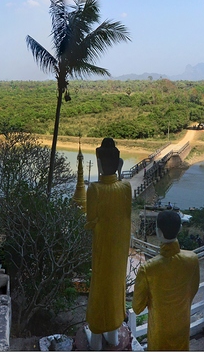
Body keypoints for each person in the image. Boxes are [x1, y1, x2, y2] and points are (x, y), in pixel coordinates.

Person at [86, 138, 132, 350]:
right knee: (115, 288)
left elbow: (90, 222)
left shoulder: (94, 190)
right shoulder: (126, 188)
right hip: (119, 250)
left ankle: (95, 340)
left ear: (99, 163)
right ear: (119, 163)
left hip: (102, 250)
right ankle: (113, 336)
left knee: (100, 289)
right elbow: (125, 215)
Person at [132, 210, 200, 350]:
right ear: (180, 229)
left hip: (160, 330)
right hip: (182, 324)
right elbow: (192, 291)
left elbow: (137, 307)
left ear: (158, 232)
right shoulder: (192, 259)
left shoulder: (148, 269)